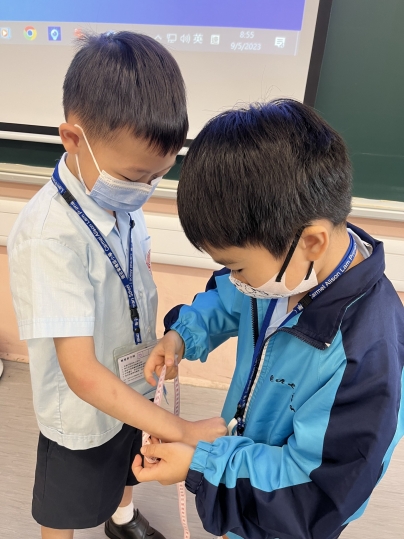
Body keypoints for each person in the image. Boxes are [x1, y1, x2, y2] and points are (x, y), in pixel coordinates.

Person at [133, 99, 404, 539]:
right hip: (239, 473)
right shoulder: (285, 268)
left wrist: (202, 465)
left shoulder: (367, 356)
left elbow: (317, 492)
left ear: (312, 241)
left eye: (237, 266)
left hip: (286, 515)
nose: (235, 278)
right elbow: (229, 298)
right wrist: (184, 334)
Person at [8, 32, 226, 539]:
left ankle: (123, 519)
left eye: (157, 176)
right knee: (66, 506)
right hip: (82, 412)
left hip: (133, 383)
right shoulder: (49, 237)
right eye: (134, 176)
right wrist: (184, 430)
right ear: (73, 138)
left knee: (131, 463)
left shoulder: (121, 197)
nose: (144, 189)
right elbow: (82, 375)